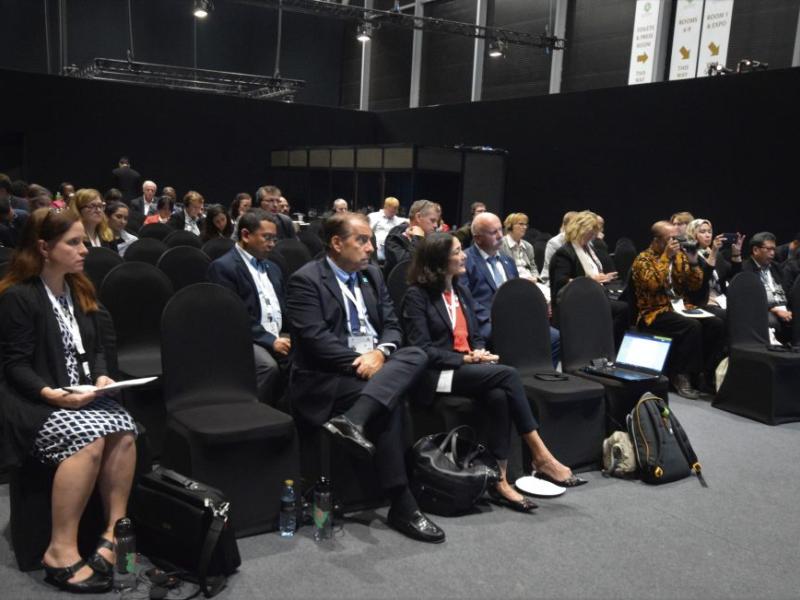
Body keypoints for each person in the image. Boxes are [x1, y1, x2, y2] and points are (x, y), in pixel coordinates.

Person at [286, 212, 445, 544]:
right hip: (325, 378)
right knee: (392, 399)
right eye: (362, 240)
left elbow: (392, 325)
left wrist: (381, 354)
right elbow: (316, 341)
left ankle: (354, 421)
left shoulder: (372, 275)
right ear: (336, 243)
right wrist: (363, 361)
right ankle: (402, 502)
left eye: (371, 240)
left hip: (375, 368)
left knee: (416, 354)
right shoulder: (306, 280)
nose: (371, 248)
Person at [0, 208, 137, 593]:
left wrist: (101, 376)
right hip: (35, 399)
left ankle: (113, 534)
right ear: (44, 248)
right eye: (73, 243)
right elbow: (15, 366)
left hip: (80, 393)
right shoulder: (19, 297)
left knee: (124, 428)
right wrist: (50, 394)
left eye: (82, 242)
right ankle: (60, 550)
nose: (84, 250)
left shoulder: (79, 288)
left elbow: (95, 348)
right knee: (90, 438)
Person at [402, 233, 586, 507]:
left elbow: (475, 334)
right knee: (508, 374)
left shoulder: (460, 290)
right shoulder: (417, 296)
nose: (464, 255)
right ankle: (540, 454)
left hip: (467, 367)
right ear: (439, 260)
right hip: (436, 375)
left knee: (500, 396)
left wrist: (478, 352)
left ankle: (500, 479)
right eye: (456, 252)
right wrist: (464, 360)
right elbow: (421, 350)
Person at [631, 221, 725, 398]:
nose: (675, 242)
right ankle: (680, 375)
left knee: (716, 324)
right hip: (654, 311)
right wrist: (666, 257)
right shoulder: (643, 259)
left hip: (681, 306)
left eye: (676, 238)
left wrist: (693, 261)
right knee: (691, 326)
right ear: (657, 240)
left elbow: (695, 285)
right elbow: (653, 284)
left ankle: (705, 373)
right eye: (670, 239)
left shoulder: (680, 256)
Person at [207, 210, 290, 404]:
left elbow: (284, 308)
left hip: (278, 334)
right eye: (266, 238)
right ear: (245, 235)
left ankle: (287, 417)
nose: (272, 244)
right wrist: (271, 341)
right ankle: (249, 413)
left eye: (274, 239)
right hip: (244, 337)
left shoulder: (273, 268)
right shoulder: (224, 268)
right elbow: (233, 318)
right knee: (267, 366)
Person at [464, 212, 561, 366]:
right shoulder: (466, 261)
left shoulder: (507, 260)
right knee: (516, 338)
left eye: (500, 230)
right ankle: (516, 378)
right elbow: (466, 300)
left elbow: (516, 294)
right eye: (493, 232)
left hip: (514, 317)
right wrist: (496, 317)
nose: (500, 236)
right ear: (477, 238)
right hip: (487, 322)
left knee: (555, 337)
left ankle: (540, 377)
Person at [548, 211, 629, 347]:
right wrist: (592, 280)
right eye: (590, 232)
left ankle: (607, 347)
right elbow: (561, 282)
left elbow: (592, 274)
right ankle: (610, 348)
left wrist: (602, 278)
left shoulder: (587, 249)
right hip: (575, 300)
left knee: (623, 303)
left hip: (591, 294)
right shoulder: (565, 253)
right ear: (580, 230)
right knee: (622, 309)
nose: (592, 236)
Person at [684, 219, 744, 319]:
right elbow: (703, 279)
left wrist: (736, 254)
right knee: (734, 316)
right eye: (702, 232)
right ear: (692, 234)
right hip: (702, 301)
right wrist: (714, 253)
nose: (708, 235)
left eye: (709, 232)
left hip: (721, 299)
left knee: (748, 310)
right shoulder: (690, 255)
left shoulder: (717, 255)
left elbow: (735, 275)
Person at [742, 232, 792, 345]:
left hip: (783, 307)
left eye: (774, 249)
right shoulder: (745, 269)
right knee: (772, 321)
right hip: (763, 310)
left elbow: (786, 291)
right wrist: (773, 310)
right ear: (755, 250)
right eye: (768, 249)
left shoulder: (775, 267)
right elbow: (749, 299)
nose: (772, 253)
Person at [383, 199, 438, 275]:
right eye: (432, 220)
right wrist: (418, 237)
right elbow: (407, 267)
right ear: (418, 217)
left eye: (436, 222)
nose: (436, 225)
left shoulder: (433, 240)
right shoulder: (395, 238)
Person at [500, 212, 541, 282]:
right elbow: (502, 269)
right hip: (512, 281)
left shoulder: (528, 246)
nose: (525, 227)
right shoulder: (501, 244)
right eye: (521, 224)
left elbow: (533, 267)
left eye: (526, 225)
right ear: (510, 226)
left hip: (530, 281)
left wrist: (535, 278)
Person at [541, 211, 577, 283]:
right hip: (552, 281)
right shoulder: (554, 243)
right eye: (574, 225)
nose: (577, 228)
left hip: (574, 282)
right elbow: (553, 272)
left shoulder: (579, 242)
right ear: (565, 225)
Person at [368, 197, 408, 262]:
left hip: (391, 249)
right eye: (392, 210)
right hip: (377, 248)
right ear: (386, 207)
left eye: (396, 210)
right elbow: (368, 232)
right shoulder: (373, 216)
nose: (395, 212)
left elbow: (409, 221)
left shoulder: (397, 220)